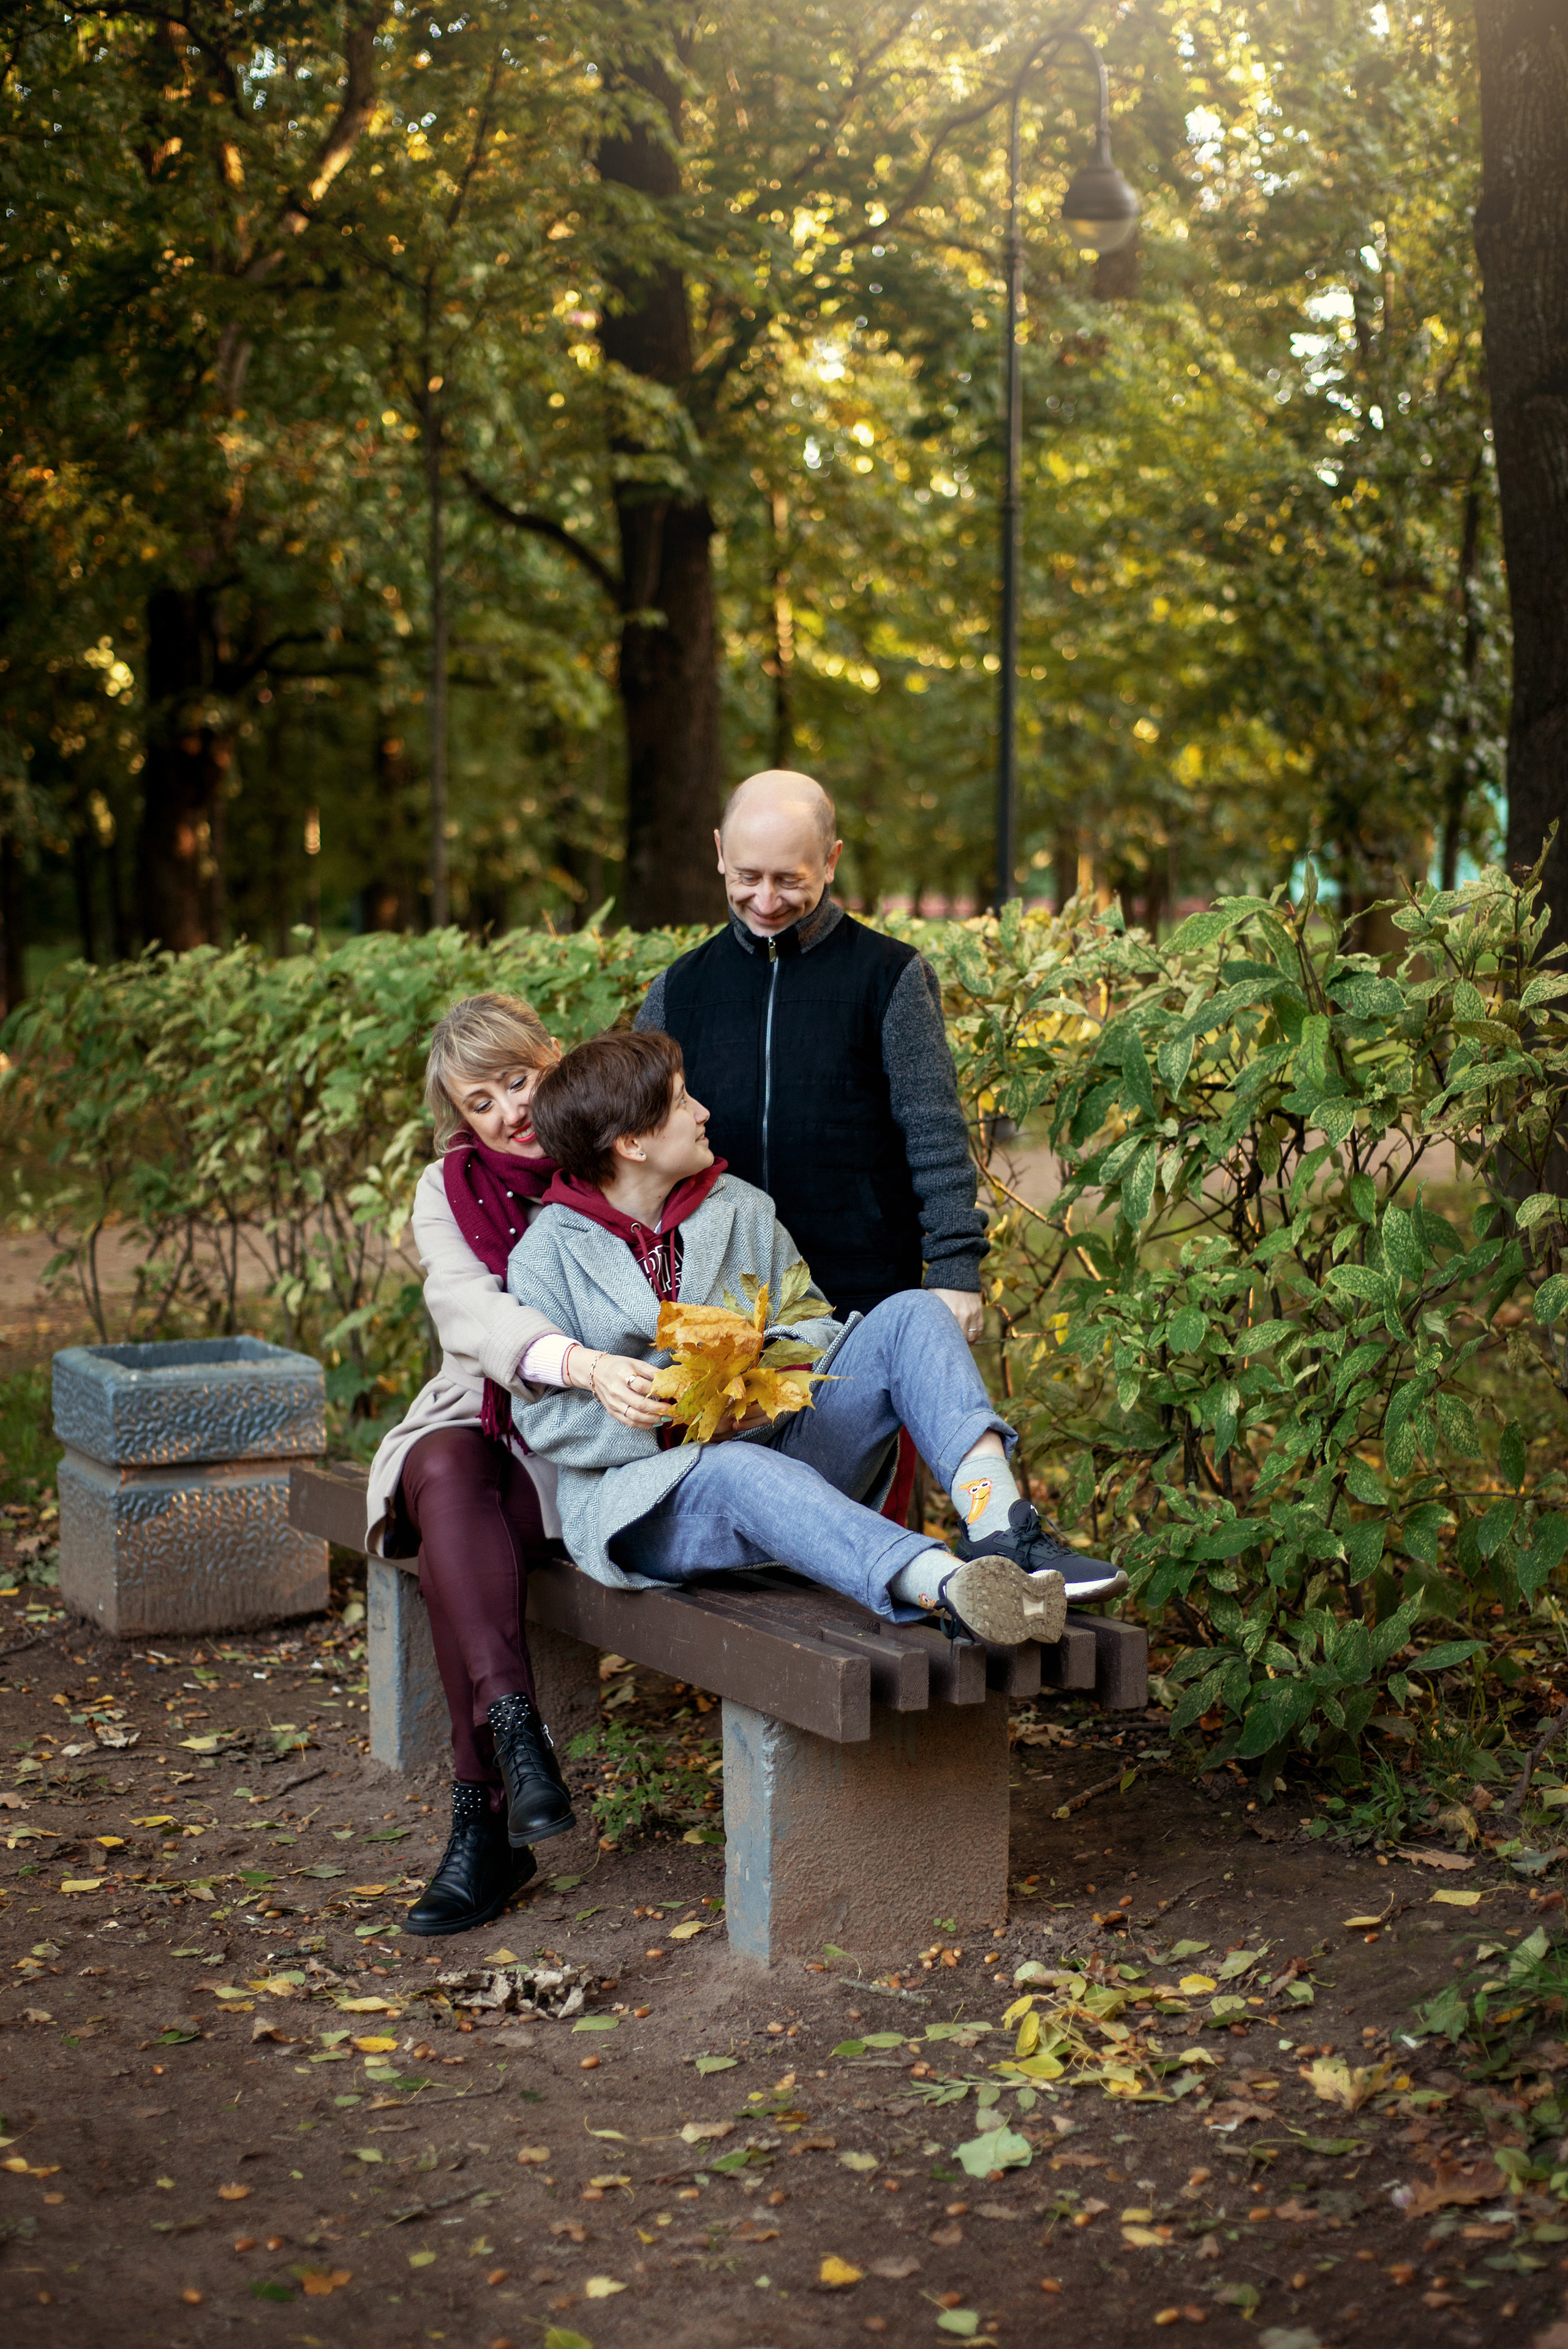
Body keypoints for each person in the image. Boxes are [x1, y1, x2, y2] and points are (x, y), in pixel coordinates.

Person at [633, 766, 1125, 1602]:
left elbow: (934, 1132)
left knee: (876, 1483)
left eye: (789, 878)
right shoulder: (681, 989)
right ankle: (949, 1584)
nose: (763, 897)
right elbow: (629, 1152)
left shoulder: (888, 975)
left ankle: (1002, 1542)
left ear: (831, 860)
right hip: (728, 1341)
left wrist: (955, 1272)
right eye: (746, 875)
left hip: (862, 1311)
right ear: (718, 854)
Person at [507, 1027, 1077, 1644]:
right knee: (736, 1468)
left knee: (914, 1311)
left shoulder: (741, 1206)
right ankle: (950, 1586)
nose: (702, 1113)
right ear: (631, 1144)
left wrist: (763, 1374)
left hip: (791, 1447)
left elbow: (812, 1323)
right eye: (679, 1102)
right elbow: (543, 1422)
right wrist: (669, 1420)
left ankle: (1002, 1529)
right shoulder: (546, 1254)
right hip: (649, 1507)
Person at [366, 993, 659, 1937]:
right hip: (489, 1417)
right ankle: (516, 1738)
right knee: (447, 1471)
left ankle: (483, 1816)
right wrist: (573, 1361)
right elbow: (471, 1316)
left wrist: (612, 1376)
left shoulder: (618, 1146)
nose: (508, 1113)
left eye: (520, 1081)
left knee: (457, 1518)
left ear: (553, 1060)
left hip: (596, 1446)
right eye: (479, 1099)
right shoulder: (446, 1187)